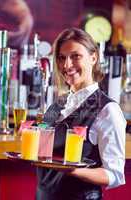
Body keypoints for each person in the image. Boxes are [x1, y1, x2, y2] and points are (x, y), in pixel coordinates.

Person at [36, 27, 126, 200]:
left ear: (93, 58)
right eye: (62, 58)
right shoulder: (57, 104)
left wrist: (73, 170)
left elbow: (114, 174)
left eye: (75, 56)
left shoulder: (108, 110)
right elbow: (43, 153)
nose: (66, 65)